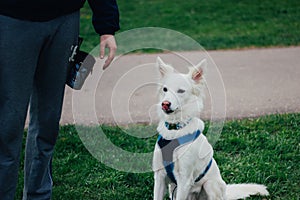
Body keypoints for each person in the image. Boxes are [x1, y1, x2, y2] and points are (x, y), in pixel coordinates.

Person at [0, 0, 120, 199]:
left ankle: (38, 195)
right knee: (7, 125)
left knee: (48, 122)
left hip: (64, 20)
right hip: (12, 20)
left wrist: (107, 26)